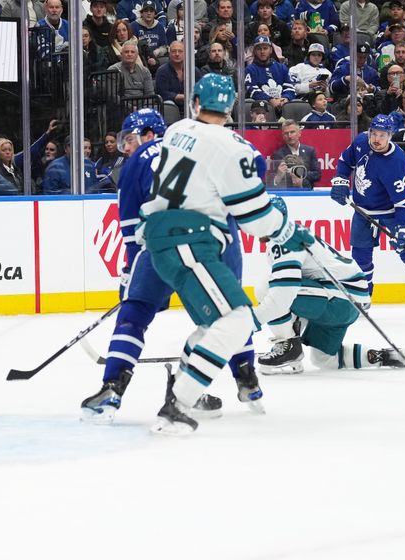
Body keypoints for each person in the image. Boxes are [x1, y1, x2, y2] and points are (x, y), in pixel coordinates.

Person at [137, 73, 313, 434]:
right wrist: (287, 230)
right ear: (231, 107)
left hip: (164, 236)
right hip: (189, 238)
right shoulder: (234, 147)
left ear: (196, 103)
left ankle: (182, 390)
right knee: (237, 320)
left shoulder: (177, 129)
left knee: (217, 322)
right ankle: (177, 404)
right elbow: (254, 218)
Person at [81, 107, 264, 425]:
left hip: (162, 241)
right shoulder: (207, 148)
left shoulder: (136, 163)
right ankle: (244, 379)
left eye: (130, 138)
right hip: (218, 241)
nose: (126, 146)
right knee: (229, 312)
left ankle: (111, 389)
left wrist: (130, 275)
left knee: (134, 314)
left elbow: (130, 230)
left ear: (150, 134)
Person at [253, 195, 405, 374]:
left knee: (267, 287)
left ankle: (289, 347)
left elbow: (281, 296)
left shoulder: (285, 241)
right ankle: (386, 356)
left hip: (339, 299)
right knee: (324, 359)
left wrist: (248, 323)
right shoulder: (293, 233)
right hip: (350, 301)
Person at [330, 114, 405, 313]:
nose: (376, 139)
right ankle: (364, 296)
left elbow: (402, 202)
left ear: (390, 136)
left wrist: (403, 229)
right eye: (373, 133)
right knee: (360, 257)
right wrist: (340, 181)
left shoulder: (396, 162)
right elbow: (345, 161)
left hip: (393, 212)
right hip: (363, 211)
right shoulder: (361, 141)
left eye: (382, 135)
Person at [245, 35, 295, 112]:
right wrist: (270, 100)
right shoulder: (250, 69)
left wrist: (286, 98)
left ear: (271, 50)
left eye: (265, 48)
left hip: (282, 105)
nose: (262, 52)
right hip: (261, 108)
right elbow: (252, 90)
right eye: (259, 49)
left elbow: (290, 86)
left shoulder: (282, 67)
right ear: (254, 51)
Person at [269, 120, 321, 188]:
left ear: (299, 133)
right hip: (288, 192)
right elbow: (278, 179)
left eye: (292, 132)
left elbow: (317, 175)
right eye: (286, 133)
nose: (289, 136)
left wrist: (300, 174)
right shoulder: (278, 154)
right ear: (283, 136)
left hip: (307, 192)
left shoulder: (310, 151)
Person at [154, 41, 201, 115]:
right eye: (173, 51)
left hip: (191, 108)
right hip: (170, 110)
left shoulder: (194, 71)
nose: (177, 54)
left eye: (180, 51)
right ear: (169, 54)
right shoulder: (162, 71)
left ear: (185, 53)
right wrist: (185, 96)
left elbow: (200, 92)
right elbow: (163, 94)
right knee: (168, 104)